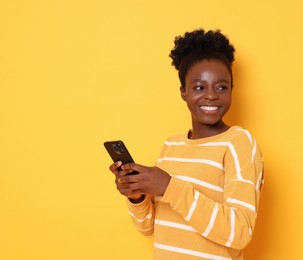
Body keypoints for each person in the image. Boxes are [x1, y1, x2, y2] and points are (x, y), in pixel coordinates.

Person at [109, 29, 264, 260]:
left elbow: (239, 232)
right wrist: (137, 197)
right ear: (183, 92)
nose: (211, 95)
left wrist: (170, 187)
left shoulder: (238, 143)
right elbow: (150, 228)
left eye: (221, 87)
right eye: (199, 87)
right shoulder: (171, 146)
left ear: (232, 89)